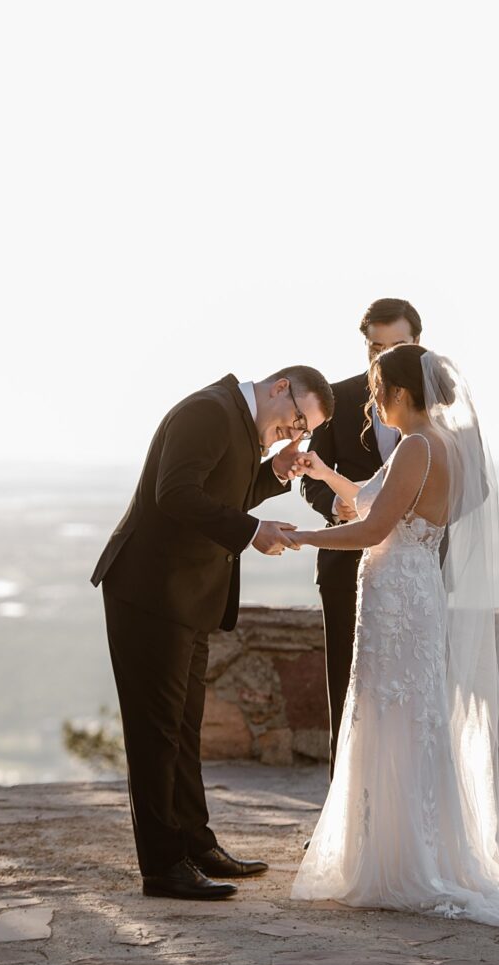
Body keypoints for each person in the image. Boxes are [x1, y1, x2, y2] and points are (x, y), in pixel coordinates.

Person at [287, 344, 499, 933]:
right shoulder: (441, 444)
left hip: (397, 596)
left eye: (377, 390)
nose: (372, 402)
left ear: (401, 392)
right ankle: (413, 845)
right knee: (409, 715)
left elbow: (372, 527)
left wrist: (301, 537)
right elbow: (375, 500)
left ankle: (396, 860)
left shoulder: (415, 448)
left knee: (390, 713)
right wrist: (322, 473)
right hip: (415, 588)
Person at [91, 367, 334, 901]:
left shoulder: (242, 422)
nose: (295, 433)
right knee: (156, 736)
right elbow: (175, 493)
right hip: (149, 593)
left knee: (183, 730)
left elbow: (225, 494)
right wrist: (252, 532)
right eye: (297, 420)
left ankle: (196, 846)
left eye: (305, 431)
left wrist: (274, 472)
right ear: (279, 388)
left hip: (187, 599)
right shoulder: (209, 411)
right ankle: (163, 866)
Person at [302, 297, 423, 778]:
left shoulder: (443, 409)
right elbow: (312, 480)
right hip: (345, 569)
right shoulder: (336, 399)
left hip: (415, 573)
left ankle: (410, 799)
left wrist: (413, 514)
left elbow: (468, 488)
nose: (385, 357)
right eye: (376, 348)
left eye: (397, 346)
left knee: (413, 692)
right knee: (346, 688)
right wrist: (336, 506)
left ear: (418, 343)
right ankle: (345, 806)